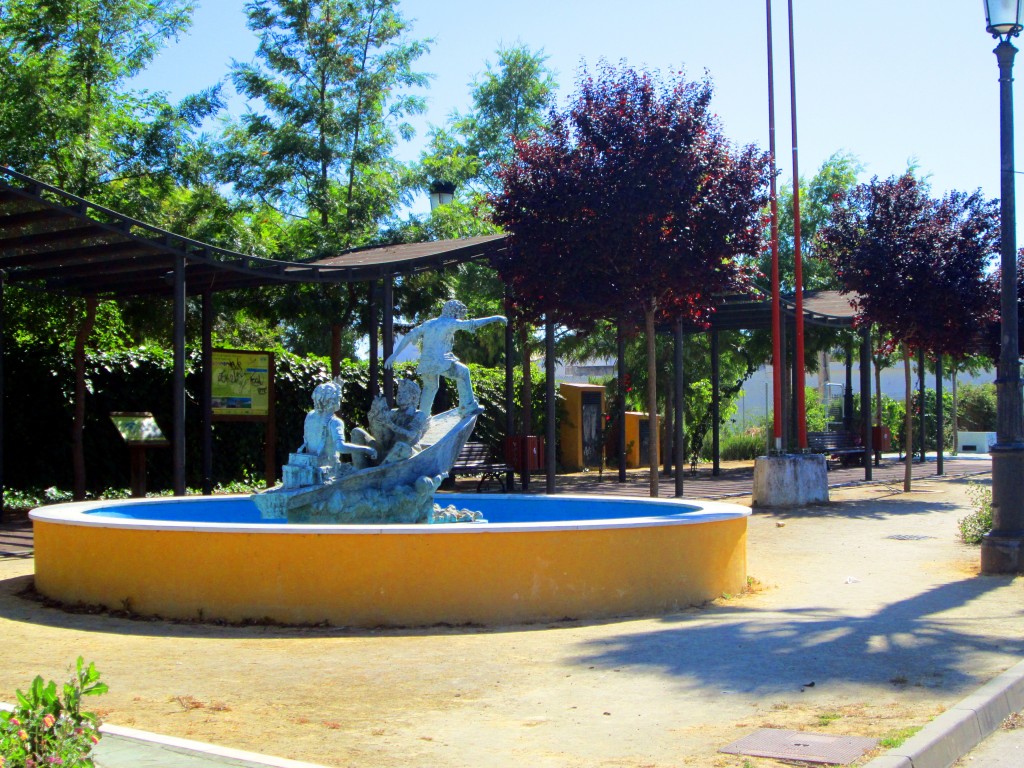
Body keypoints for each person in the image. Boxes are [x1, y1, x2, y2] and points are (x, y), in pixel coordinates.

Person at [384, 299, 506, 416]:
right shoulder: (450, 322)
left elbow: (409, 336)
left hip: (426, 363)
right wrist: (495, 318)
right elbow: (472, 324)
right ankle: (467, 407)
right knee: (463, 372)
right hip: (440, 361)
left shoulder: (429, 323)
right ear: (454, 313)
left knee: (430, 387)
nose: (459, 318)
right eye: (459, 315)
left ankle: (422, 418)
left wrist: (394, 355)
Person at [298, 379, 375, 477]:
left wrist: (336, 387)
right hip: (330, 470)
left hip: (311, 469)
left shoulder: (310, 416)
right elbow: (341, 447)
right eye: (339, 397)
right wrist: (366, 449)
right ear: (332, 400)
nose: (340, 399)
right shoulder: (335, 422)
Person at [351, 378, 429, 468]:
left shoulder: (419, 415)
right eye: (398, 393)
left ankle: (381, 470)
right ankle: (359, 470)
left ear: (413, 397)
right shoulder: (392, 413)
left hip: (404, 453)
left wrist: (390, 425)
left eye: (403, 393)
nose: (399, 396)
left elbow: (411, 435)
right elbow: (381, 438)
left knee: (401, 446)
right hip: (385, 451)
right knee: (357, 432)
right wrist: (373, 416)